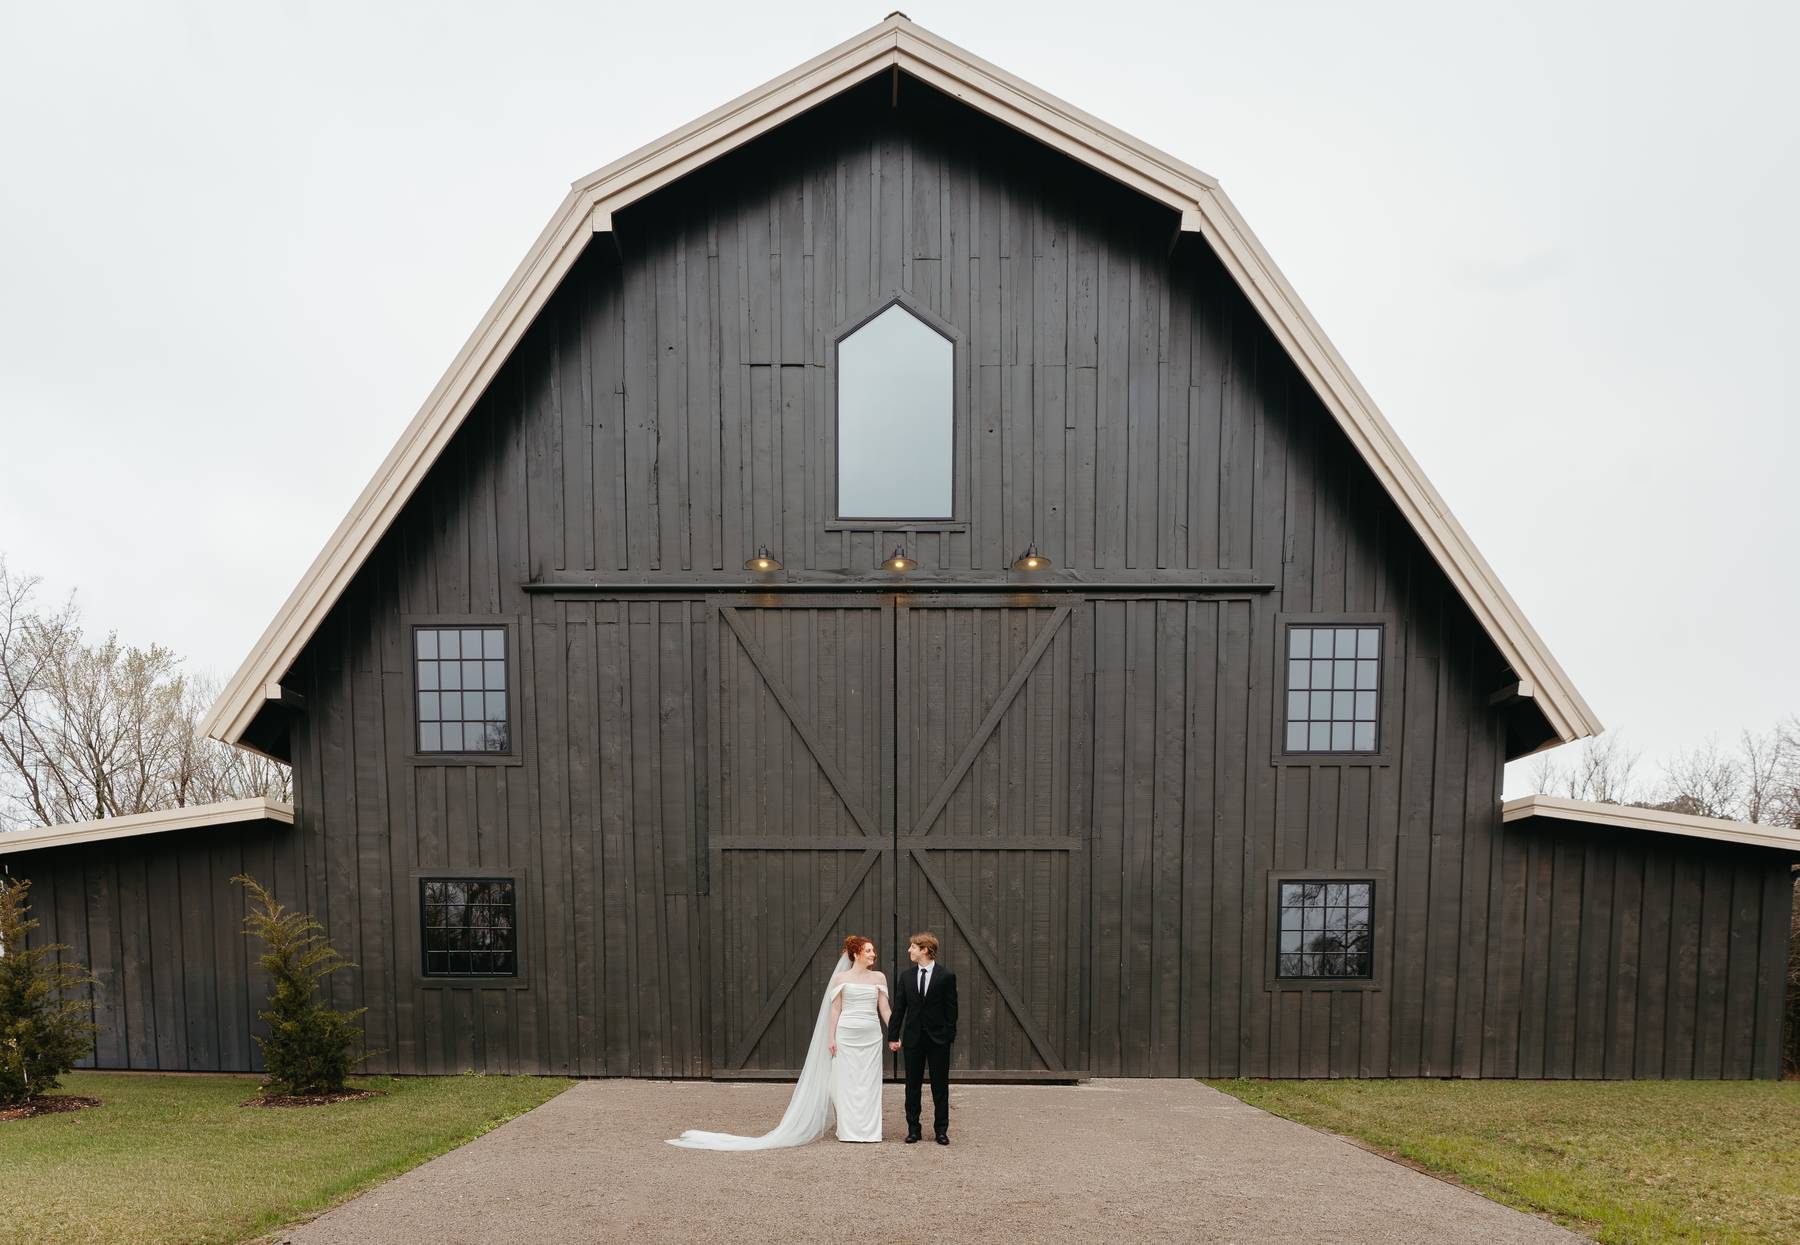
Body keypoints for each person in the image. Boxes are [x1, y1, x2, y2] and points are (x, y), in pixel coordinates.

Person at [666, 934, 888, 1149]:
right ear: (856, 953)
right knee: (846, 1081)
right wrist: (831, 1037)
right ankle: (850, 1130)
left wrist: (895, 1033)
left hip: (871, 1037)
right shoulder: (841, 979)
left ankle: (869, 1130)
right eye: (868, 950)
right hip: (847, 1035)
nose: (873, 954)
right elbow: (836, 1010)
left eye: (873, 951)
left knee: (868, 1080)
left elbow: (885, 1009)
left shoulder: (879, 978)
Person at [886, 931, 957, 1145]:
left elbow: (952, 1010)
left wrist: (948, 1037)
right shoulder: (906, 977)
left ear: (925, 950)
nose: (909, 950)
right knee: (912, 1085)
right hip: (913, 1039)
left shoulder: (946, 976)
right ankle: (913, 1129)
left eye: (913, 947)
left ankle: (941, 1131)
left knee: (939, 1086)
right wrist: (893, 1035)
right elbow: (899, 1009)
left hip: (938, 1041)